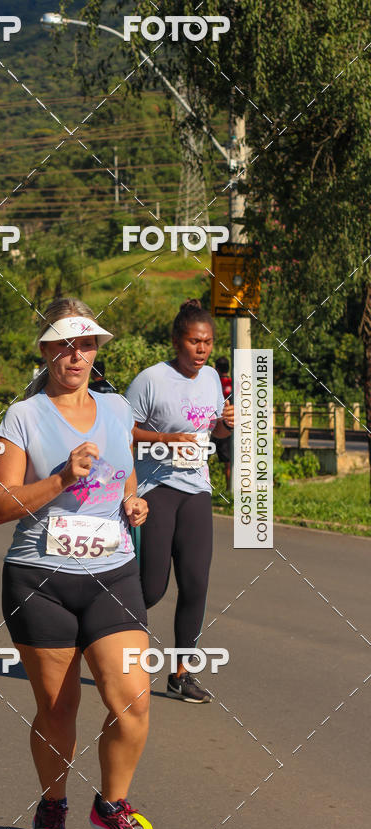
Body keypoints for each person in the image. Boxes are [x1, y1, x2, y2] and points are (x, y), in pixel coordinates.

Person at [0, 297, 161, 829]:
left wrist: (133, 502)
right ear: (46, 351)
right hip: (41, 577)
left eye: (86, 345)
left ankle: (113, 804)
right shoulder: (24, 416)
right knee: (59, 710)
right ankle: (53, 803)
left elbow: (126, 473)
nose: (77, 355)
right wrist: (63, 475)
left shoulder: (116, 408)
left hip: (113, 572)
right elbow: (1, 503)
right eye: (65, 345)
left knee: (133, 701)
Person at [125, 299, 234, 703]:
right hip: (155, 489)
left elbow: (213, 437)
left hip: (196, 490)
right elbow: (122, 430)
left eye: (206, 342)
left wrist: (223, 426)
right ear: (176, 341)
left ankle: (181, 673)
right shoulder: (151, 380)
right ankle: (111, 644)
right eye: (193, 342)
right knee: (151, 588)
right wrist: (168, 441)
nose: (201, 349)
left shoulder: (210, 379)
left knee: (196, 584)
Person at [212, 356, 233, 491]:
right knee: (228, 462)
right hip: (227, 424)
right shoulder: (232, 383)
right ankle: (228, 489)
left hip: (212, 423)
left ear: (216, 368)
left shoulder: (214, 382)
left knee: (201, 459)